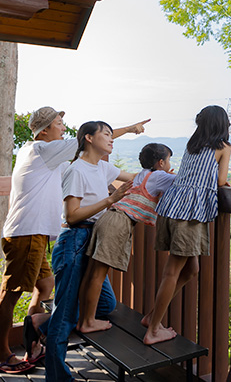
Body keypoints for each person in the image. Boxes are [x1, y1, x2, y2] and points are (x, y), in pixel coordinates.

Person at [0, 108, 147, 375]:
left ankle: (37, 329)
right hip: (27, 232)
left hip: (38, 233)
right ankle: (1, 354)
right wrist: (130, 129)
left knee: (46, 286)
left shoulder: (52, 159)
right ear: (44, 131)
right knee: (11, 293)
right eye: (59, 124)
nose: (63, 128)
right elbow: (86, 140)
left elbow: (89, 157)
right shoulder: (41, 150)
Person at [44, 121, 139, 382]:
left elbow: (133, 178)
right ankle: (57, 377)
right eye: (106, 134)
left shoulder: (103, 166)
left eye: (111, 134)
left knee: (105, 303)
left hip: (93, 240)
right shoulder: (77, 170)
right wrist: (110, 200)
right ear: (88, 138)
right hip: (74, 241)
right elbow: (71, 216)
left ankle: (40, 325)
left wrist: (171, 177)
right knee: (64, 318)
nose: (111, 139)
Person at [142, 106, 231, 345]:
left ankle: (152, 316)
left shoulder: (192, 145)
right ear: (222, 124)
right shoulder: (223, 148)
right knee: (172, 272)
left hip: (171, 207)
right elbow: (221, 180)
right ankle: (152, 330)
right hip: (189, 213)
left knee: (191, 270)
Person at [76, 143, 176, 333]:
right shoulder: (158, 176)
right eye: (168, 160)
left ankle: (84, 319)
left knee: (91, 273)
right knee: (98, 275)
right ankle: (87, 322)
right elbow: (184, 182)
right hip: (119, 222)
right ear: (161, 162)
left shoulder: (141, 175)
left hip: (108, 218)